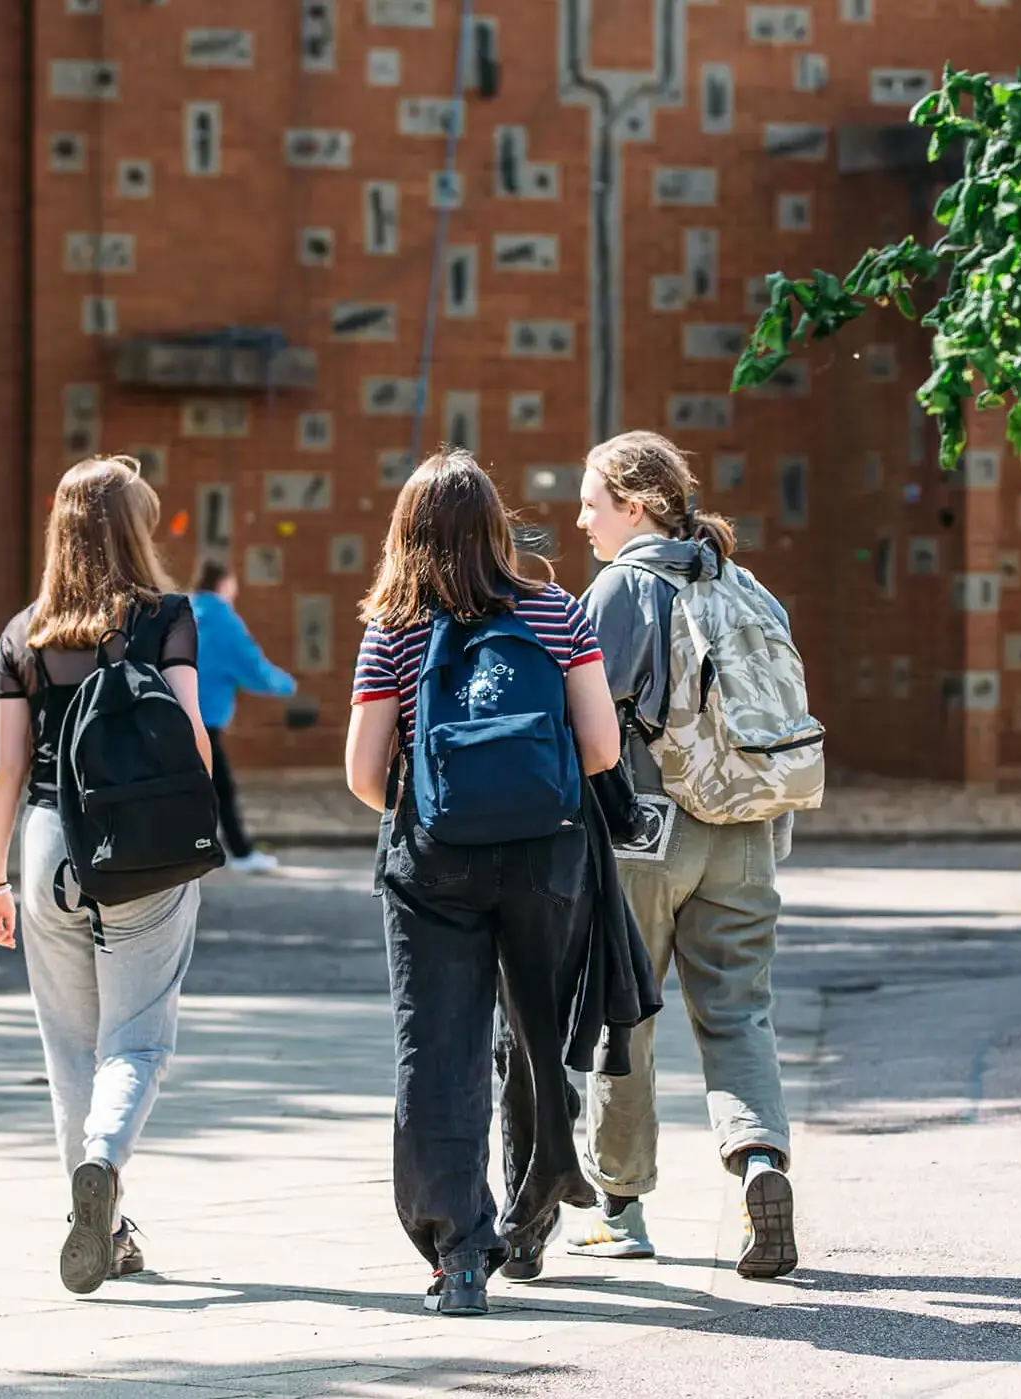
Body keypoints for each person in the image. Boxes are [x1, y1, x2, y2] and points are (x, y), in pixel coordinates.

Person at [345, 448, 622, 1317]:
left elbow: (360, 772)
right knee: (537, 1033)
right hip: (545, 854)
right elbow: (604, 749)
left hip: (433, 859)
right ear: (498, 527)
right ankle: (536, 1206)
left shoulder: (393, 624)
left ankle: (460, 1252)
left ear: (407, 531)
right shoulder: (555, 609)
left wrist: (425, 791)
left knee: (437, 1046)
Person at [0, 455, 215, 1295]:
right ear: (132, 529)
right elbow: (192, 738)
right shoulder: (168, 619)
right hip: (141, 847)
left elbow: (5, 767)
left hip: (45, 845)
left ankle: (104, 1227)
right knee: (137, 1038)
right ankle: (104, 1162)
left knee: (68, 1046)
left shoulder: (26, 634)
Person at [569, 429, 803, 1279]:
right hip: (746, 831)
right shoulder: (747, 586)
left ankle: (620, 1206)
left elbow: (586, 726)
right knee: (740, 1012)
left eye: (593, 501)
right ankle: (759, 1163)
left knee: (622, 1013)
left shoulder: (619, 589)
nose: (582, 517)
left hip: (646, 828)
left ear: (635, 506)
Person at [190, 557, 297, 874]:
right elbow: (252, 666)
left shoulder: (184, 611)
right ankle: (240, 853)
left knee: (200, 787)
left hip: (175, 712)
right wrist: (286, 685)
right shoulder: (223, 620)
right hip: (205, 717)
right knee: (220, 787)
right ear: (223, 582)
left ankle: (211, 851)